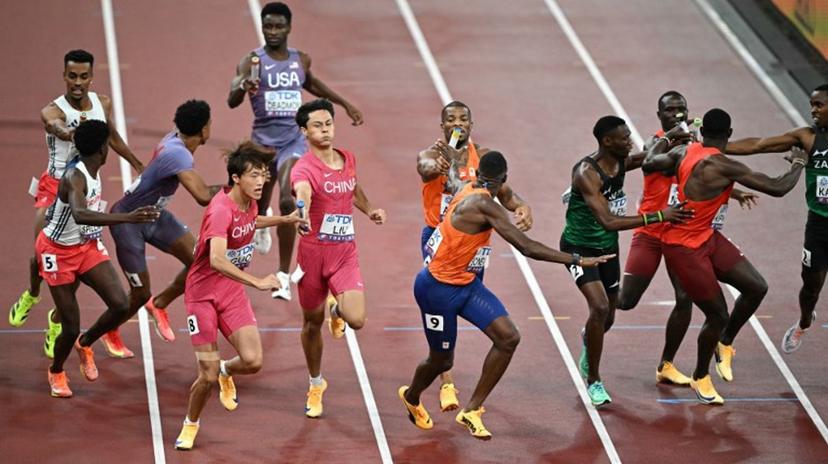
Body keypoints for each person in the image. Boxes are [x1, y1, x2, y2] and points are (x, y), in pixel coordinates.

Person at [400, 151, 613, 439]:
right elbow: (527, 247)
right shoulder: (484, 205)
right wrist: (576, 259)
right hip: (436, 290)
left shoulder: (467, 187)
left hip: (466, 285)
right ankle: (412, 397)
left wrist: (521, 206)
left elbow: (458, 179)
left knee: (508, 337)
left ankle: (472, 410)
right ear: (503, 179)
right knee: (442, 361)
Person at [646, 108, 807, 404]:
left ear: (702, 131)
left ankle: (725, 342)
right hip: (684, 247)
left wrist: (665, 138)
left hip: (707, 236)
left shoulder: (686, 150)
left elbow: (649, 162)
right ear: (729, 135)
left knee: (756, 286)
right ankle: (700, 376)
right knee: (717, 313)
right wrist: (799, 163)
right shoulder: (724, 165)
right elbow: (778, 187)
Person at [9, 49, 144, 360]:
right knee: (44, 251)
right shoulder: (51, 111)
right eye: (72, 76)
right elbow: (55, 127)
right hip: (55, 184)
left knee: (79, 259)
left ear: (91, 77)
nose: (78, 83)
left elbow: (111, 135)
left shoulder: (102, 104)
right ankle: (31, 295)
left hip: (85, 185)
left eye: (84, 76)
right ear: (64, 76)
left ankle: (57, 319)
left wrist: (138, 163)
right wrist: (74, 134)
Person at [618, 91, 757, 386]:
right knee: (626, 300)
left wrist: (734, 191)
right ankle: (595, 318)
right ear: (660, 115)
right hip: (650, 230)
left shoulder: (695, 146)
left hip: (678, 234)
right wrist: (672, 135)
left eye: (682, 110)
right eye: (670, 111)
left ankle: (665, 365)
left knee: (685, 300)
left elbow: (700, 179)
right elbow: (648, 160)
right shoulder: (656, 143)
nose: (677, 115)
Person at [174, 142, 306, 451]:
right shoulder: (220, 210)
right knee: (204, 376)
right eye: (254, 176)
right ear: (235, 178)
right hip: (203, 296)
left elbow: (249, 222)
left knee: (252, 361)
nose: (261, 182)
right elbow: (218, 260)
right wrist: (257, 281)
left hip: (230, 293)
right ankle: (191, 423)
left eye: (263, 175)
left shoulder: (251, 202)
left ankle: (226, 371)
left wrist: (283, 221)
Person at [228, 1, 363, 301]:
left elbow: (313, 84)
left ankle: (282, 274)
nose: (272, 32)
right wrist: (243, 86)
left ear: (289, 27)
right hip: (262, 144)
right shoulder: (252, 61)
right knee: (257, 204)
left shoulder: (300, 60)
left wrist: (345, 104)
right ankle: (262, 219)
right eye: (268, 26)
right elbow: (232, 99)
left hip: (293, 141)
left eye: (278, 26)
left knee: (288, 197)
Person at [561, 115, 691, 407]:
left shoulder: (619, 161)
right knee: (599, 306)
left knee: (608, 317)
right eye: (624, 138)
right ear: (607, 141)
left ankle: (588, 337)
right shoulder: (586, 172)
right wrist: (660, 216)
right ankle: (594, 380)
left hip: (608, 248)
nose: (630, 142)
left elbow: (646, 156)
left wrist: (672, 136)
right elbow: (608, 220)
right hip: (580, 248)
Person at [416, 100, 533, 412]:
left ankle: (449, 371)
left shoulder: (481, 158)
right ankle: (446, 382)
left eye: (463, 119)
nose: (458, 123)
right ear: (442, 126)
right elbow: (425, 168)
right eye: (451, 119)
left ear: (471, 124)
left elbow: (505, 193)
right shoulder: (433, 155)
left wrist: (522, 206)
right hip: (439, 240)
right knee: (444, 302)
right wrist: (437, 167)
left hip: (473, 245)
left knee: (465, 297)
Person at [36, 120, 159, 398]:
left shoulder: (92, 165)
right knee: (69, 325)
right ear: (103, 149)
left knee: (120, 304)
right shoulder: (75, 177)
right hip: (57, 251)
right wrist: (127, 218)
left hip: (86, 246)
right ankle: (56, 370)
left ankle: (86, 342)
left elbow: (105, 132)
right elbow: (80, 214)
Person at [290, 99, 385, 419]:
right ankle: (316, 382)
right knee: (311, 323)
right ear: (304, 131)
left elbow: (353, 188)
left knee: (356, 319)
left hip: (344, 254)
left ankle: (338, 307)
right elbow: (301, 191)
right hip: (313, 256)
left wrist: (370, 209)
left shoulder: (348, 158)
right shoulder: (303, 168)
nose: (325, 129)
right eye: (317, 125)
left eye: (328, 123)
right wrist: (301, 210)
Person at [108, 100, 223, 357]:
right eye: (210, 123)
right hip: (129, 221)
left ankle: (159, 304)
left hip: (154, 215)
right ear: (204, 130)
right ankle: (107, 329)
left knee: (199, 260)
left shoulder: (176, 138)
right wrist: (238, 188)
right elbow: (203, 196)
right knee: (139, 293)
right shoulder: (178, 153)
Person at [725, 84, 828, 353]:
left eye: (819, 105)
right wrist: (715, 145)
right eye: (812, 104)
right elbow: (759, 145)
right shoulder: (808, 138)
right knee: (811, 285)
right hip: (818, 225)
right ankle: (805, 320)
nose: (813, 110)